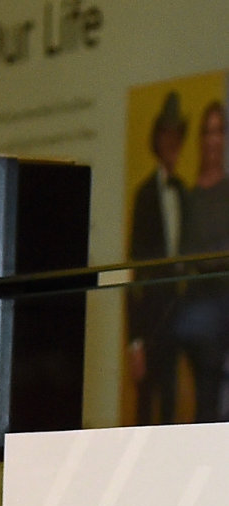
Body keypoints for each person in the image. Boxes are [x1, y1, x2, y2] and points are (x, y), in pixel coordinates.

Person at [128, 90, 190, 425]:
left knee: (170, 400)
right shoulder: (144, 196)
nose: (172, 143)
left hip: (177, 313)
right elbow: (133, 272)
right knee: (144, 405)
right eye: (166, 135)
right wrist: (134, 342)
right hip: (151, 317)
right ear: (158, 140)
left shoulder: (183, 192)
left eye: (176, 136)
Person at [170, 99, 229, 423]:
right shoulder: (188, 197)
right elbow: (186, 255)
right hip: (200, 313)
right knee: (206, 404)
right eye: (207, 132)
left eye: (219, 131)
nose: (213, 139)